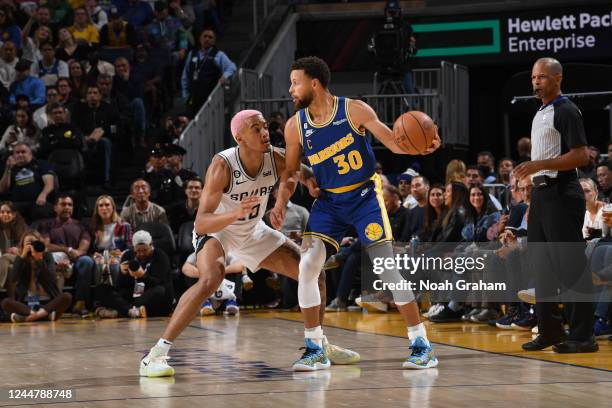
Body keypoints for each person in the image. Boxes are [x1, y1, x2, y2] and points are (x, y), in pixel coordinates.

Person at [140, 109, 359, 377]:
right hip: (219, 232)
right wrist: (234, 213)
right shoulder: (223, 165)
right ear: (239, 137)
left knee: (315, 273)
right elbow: (201, 223)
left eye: (265, 126)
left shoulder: (275, 157)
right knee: (211, 279)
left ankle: (317, 345)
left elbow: (298, 173)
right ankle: (156, 354)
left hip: (253, 231)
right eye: (256, 128)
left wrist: (294, 194)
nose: (265, 132)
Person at [271, 56, 440, 369]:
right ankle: (314, 348)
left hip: (364, 198)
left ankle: (422, 344)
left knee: (387, 268)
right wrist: (281, 202)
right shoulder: (296, 126)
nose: (291, 89)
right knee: (308, 265)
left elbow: (393, 142)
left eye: (295, 82)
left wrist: (422, 147)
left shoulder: (354, 110)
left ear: (314, 83)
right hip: (329, 204)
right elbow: (292, 173)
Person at [513, 57, 597, 353]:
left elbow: (581, 156)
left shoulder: (566, 111)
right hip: (543, 195)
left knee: (570, 266)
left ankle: (583, 336)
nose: (536, 82)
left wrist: (538, 164)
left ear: (558, 78)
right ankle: (549, 331)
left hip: (563, 192)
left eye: (543, 77)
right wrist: (535, 195)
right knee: (542, 267)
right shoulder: (540, 113)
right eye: (534, 77)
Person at [38, 194, 96, 316]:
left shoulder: (81, 225)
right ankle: (53, 303)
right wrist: (67, 250)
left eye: (70, 205)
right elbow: (46, 246)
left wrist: (76, 253)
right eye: (63, 204)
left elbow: (84, 246)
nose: (67, 207)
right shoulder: (46, 225)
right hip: (54, 261)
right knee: (46, 259)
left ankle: (80, 303)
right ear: (55, 207)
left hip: (76, 260)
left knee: (87, 261)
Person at [94, 230, 174, 318]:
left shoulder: (160, 256)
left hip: (151, 295)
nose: (141, 254)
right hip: (133, 295)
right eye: (138, 251)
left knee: (159, 291)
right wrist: (122, 273)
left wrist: (143, 276)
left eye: (145, 250)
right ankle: (130, 311)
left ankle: (122, 310)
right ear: (133, 247)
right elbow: (121, 286)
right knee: (102, 289)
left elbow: (159, 284)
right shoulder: (128, 255)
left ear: (151, 245)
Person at [1, 230, 72, 322]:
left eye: (34, 243)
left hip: (48, 303)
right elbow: (13, 278)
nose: (31, 246)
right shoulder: (21, 260)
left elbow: (51, 279)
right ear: (23, 245)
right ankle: (44, 316)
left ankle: (30, 317)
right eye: (28, 243)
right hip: (27, 304)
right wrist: (22, 256)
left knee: (67, 297)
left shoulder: (47, 256)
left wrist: (39, 259)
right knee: (5, 302)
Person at [181, 29, 236, 116]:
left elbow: (232, 67)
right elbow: (185, 76)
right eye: (205, 36)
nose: (207, 39)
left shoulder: (218, 55)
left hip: (210, 98)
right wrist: (185, 95)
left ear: (214, 41)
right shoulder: (192, 54)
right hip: (193, 97)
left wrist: (224, 76)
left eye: (210, 37)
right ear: (200, 39)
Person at [0, 143, 55, 221]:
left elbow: (49, 184)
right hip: (17, 204)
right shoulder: (10, 168)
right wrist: (8, 169)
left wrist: (43, 194)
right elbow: (2, 189)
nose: (20, 154)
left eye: (23, 152)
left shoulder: (41, 164)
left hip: (37, 202)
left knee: (42, 211)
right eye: (17, 152)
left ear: (30, 154)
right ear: (13, 155)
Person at [0, 201, 27, 291]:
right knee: (10, 268)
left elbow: (31, 245)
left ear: (14, 214)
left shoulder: (21, 226)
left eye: (8, 212)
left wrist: (18, 250)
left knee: (5, 257)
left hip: (21, 257)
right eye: (2, 212)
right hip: (5, 262)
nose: (5, 214)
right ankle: (11, 300)